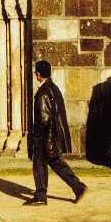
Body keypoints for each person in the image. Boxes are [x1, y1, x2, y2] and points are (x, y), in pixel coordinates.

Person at [23, 60, 87, 206]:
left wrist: (36, 136)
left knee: (39, 162)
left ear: (38, 74)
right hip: (52, 134)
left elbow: (43, 118)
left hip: (45, 135)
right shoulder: (53, 87)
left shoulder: (43, 92)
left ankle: (41, 195)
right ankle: (78, 187)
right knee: (56, 162)